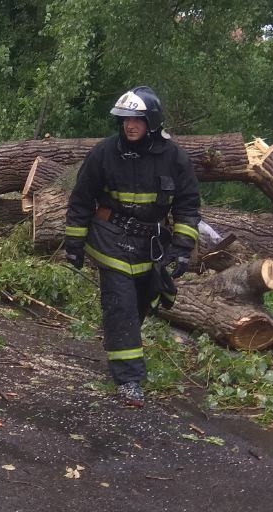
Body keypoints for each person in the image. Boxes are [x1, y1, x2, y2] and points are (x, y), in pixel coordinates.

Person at [62, 86, 200, 408]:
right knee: (121, 306)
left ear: (151, 120)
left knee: (140, 305)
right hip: (110, 239)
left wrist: (181, 248)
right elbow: (81, 199)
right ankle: (129, 381)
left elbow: (188, 205)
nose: (129, 126)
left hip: (150, 245)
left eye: (136, 119)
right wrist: (74, 243)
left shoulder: (174, 157)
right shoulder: (104, 153)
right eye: (125, 120)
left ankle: (118, 347)